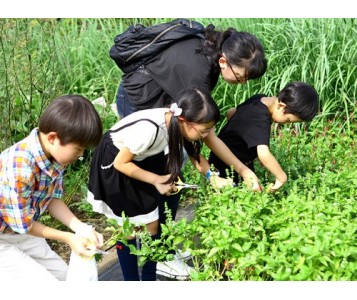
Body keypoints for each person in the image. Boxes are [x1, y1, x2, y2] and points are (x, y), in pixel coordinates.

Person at [114, 20, 268, 278]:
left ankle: (163, 244)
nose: (242, 84)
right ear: (224, 62)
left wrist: (239, 171)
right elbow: (200, 134)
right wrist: (217, 174)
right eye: (241, 77)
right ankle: (159, 253)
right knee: (157, 180)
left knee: (174, 177)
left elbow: (198, 130)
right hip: (139, 103)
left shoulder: (211, 54)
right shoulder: (196, 71)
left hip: (167, 105)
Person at [87, 88, 233, 281]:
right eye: (204, 130)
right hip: (117, 165)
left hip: (139, 161)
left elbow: (194, 154)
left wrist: (211, 176)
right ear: (185, 121)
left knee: (151, 224)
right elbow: (120, 163)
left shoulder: (175, 123)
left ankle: (148, 280)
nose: (207, 135)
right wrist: (157, 180)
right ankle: (132, 281)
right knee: (129, 228)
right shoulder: (150, 130)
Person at [0, 95, 104, 281]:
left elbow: (51, 199)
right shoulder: (20, 167)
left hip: (23, 230)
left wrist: (80, 229)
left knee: (65, 277)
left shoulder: (52, 156)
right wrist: (68, 238)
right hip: (5, 237)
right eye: (78, 149)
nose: (81, 155)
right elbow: (22, 224)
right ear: (53, 138)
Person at [208, 81, 319, 191]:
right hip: (227, 166)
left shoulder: (259, 99)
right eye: (289, 120)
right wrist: (282, 178)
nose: (287, 124)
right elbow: (264, 154)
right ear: (281, 106)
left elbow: (230, 113)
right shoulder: (261, 119)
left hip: (221, 157)